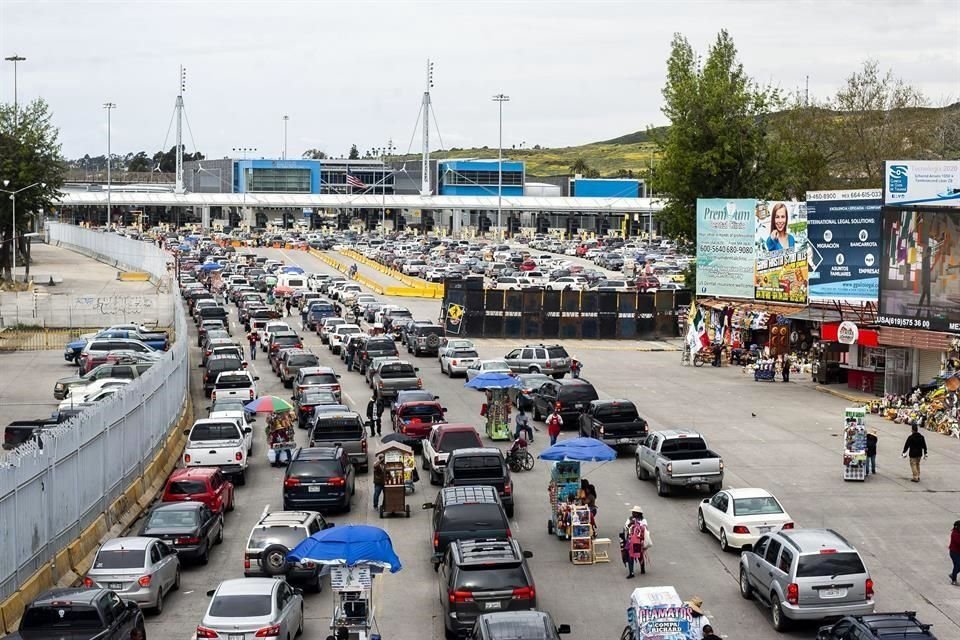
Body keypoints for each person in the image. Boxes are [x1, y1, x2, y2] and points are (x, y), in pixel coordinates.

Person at [620, 506, 651, 578]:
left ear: (638, 513)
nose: (632, 513)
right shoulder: (630, 519)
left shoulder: (643, 520)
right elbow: (625, 527)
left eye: (634, 512)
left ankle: (642, 568)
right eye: (632, 512)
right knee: (630, 556)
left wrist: (637, 524)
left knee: (639, 555)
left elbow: (645, 528)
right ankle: (631, 572)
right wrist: (630, 523)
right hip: (630, 540)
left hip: (638, 541)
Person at [949, 520, 960, 585]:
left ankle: (953, 574)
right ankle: (954, 580)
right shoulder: (955, 534)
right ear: (956, 527)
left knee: (958, 565)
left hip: (958, 552)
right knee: (957, 565)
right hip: (954, 553)